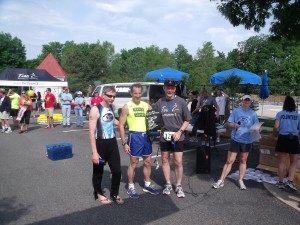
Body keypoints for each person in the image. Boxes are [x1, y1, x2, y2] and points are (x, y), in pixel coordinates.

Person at [119, 83, 159, 199]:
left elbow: (154, 120)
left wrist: (157, 131)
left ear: (142, 93)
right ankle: (130, 187)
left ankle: (147, 185)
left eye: (139, 93)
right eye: (135, 93)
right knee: (134, 163)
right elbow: (121, 125)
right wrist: (124, 143)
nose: (137, 95)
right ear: (131, 93)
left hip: (146, 136)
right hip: (134, 136)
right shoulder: (127, 106)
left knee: (147, 162)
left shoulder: (146, 105)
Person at [153, 79, 191, 198]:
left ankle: (178, 185)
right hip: (165, 136)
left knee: (178, 161)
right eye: (167, 88)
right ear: (164, 88)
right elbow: (155, 119)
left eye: (172, 88)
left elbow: (187, 119)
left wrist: (180, 131)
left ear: (175, 89)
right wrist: (157, 129)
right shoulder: (160, 102)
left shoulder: (181, 102)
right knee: (165, 160)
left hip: (177, 135)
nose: (169, 90)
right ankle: (168, 184)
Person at [212, 94, 259, 190]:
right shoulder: (236, 111)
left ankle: (240, 180)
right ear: (242, 101)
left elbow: (257, 126)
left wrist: (258, 129)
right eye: (245, 100)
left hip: (247, 140)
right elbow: (228, 123)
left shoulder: (253, 113)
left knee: (243, 160)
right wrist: (233, 125)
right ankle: (221, 180)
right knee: (230, 161)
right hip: (236, 139)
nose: (246, 102)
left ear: (250, 102)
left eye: (248, 100)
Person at [89, 86, 124, 205]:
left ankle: (114, 193)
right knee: (98, 171)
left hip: (112, 142)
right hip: (100, 143)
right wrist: (94, 152)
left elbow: (112, 120)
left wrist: (124, 123)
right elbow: (91, 132)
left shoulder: (111, 107)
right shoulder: (95, 109)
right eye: (109, 96)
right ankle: (98, 193)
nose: (112, 98)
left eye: (114, 96)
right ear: (103, 95)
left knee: (117, 171)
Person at [273, 96, 300, 191]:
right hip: (294, 139)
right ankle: (290, 181)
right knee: (293, 161)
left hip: (283, 138)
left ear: (284, 104)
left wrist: (274, 134)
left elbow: (276, 127)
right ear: (294, 105)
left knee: (282, 162)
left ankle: (280, 182)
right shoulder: (297, 115)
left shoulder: (280, 114)